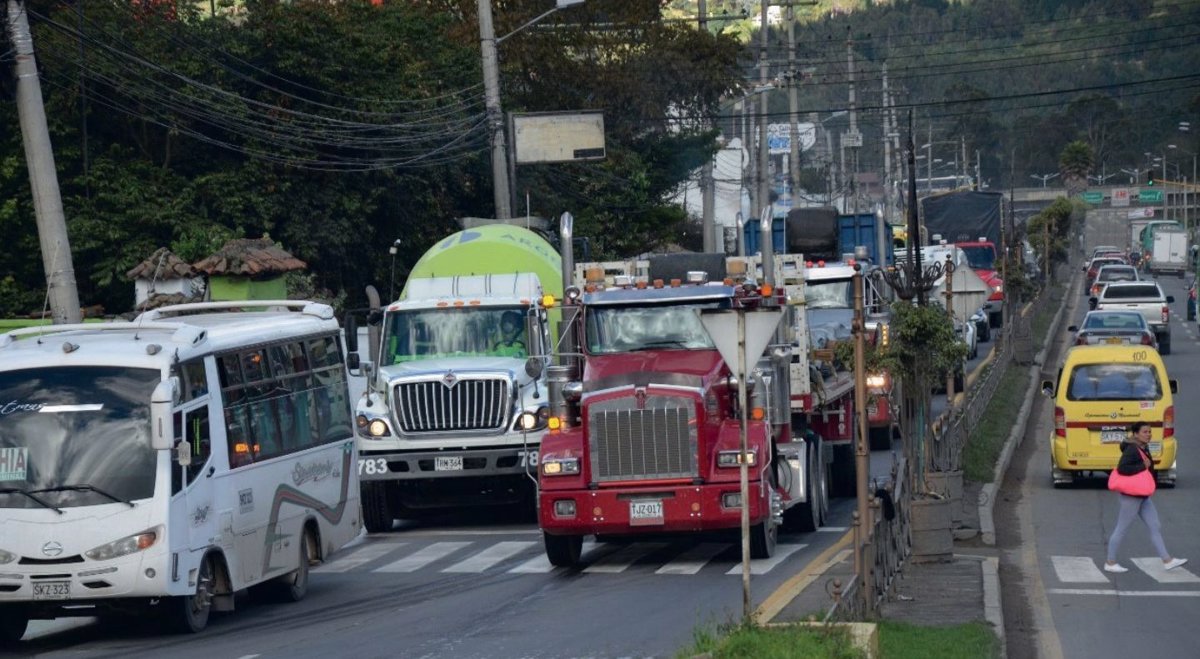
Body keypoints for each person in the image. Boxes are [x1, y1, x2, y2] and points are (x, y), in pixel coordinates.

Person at [1104, 421, 1187, 573]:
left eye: (1149, 432)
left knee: (1154, 525)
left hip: (1142, 495)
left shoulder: (1142, 447)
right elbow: (1123, 468)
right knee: (1121, 528)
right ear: (1135, 434)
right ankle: (1110, 562)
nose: (1148, 434)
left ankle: (1167, 560)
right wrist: (1143, 466)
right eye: (1145, 432)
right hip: (1131, 496)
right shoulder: (1132, 449)